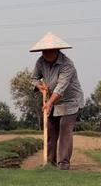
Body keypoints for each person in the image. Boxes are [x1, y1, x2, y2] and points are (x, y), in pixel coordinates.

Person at [30, 32, 84, 170]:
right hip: (53, 102)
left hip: (70, 101)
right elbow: (34, 78)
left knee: (65, 130)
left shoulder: (67, 65)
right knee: (51, 131)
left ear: (56, 51)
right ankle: (50, 162)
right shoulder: (40, 62)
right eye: (43, 51)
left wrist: (49, 103)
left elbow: (61, 87)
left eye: (48, 51)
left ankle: (63, 163)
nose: (45, 54)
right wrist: (39, 85)